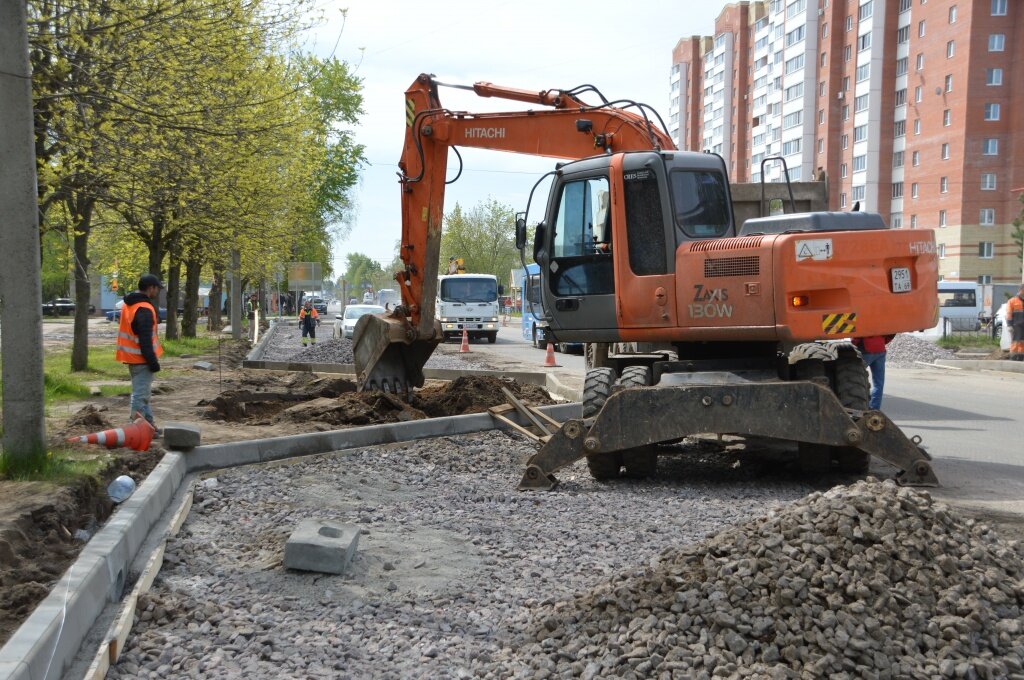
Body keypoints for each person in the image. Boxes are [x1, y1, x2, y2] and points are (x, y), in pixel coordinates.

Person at [116, 274, 164, 432]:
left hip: (132, 358)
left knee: (143, 394)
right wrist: (153, 362)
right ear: (151, 288)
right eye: (157, 288)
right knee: (140, 395)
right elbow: (144, 340)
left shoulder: (129, 304)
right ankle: (134, 430)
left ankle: (150, 428)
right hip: (142, 359)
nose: (158, 292)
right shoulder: (143, 308)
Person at [852, 335, 895, 410]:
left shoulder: (864, 322)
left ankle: (857, 407)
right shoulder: (882, 323)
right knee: (879, 383)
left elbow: (857, 336)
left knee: (855, 379)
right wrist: (882, 341)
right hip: (880, 349)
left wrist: (853, 343)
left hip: (866, 350)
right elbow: (891, 334)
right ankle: (874, 408)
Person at [1008, 285, 1024, 361]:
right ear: (1020, 290)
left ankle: (1021, 357)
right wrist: (1009, 325)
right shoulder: (1012, 301)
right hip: (1016, 325)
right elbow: (1009, 314)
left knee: (1022, 342)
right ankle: (1013, 357)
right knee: (1016, 341)